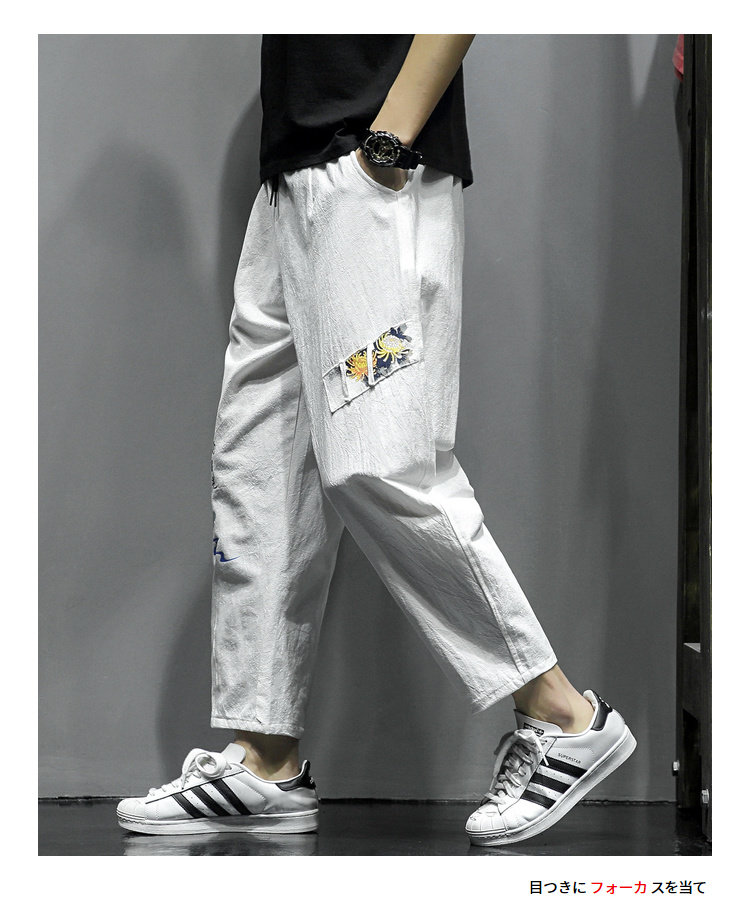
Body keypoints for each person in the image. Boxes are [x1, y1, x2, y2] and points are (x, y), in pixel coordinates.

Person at [117, 34, 636, 847]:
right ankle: (265, 758)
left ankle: (562, 712)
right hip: (290, 177)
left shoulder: (379, 153)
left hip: (370, 164)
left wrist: (386, 144)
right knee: (259, 469)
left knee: (380, 462)